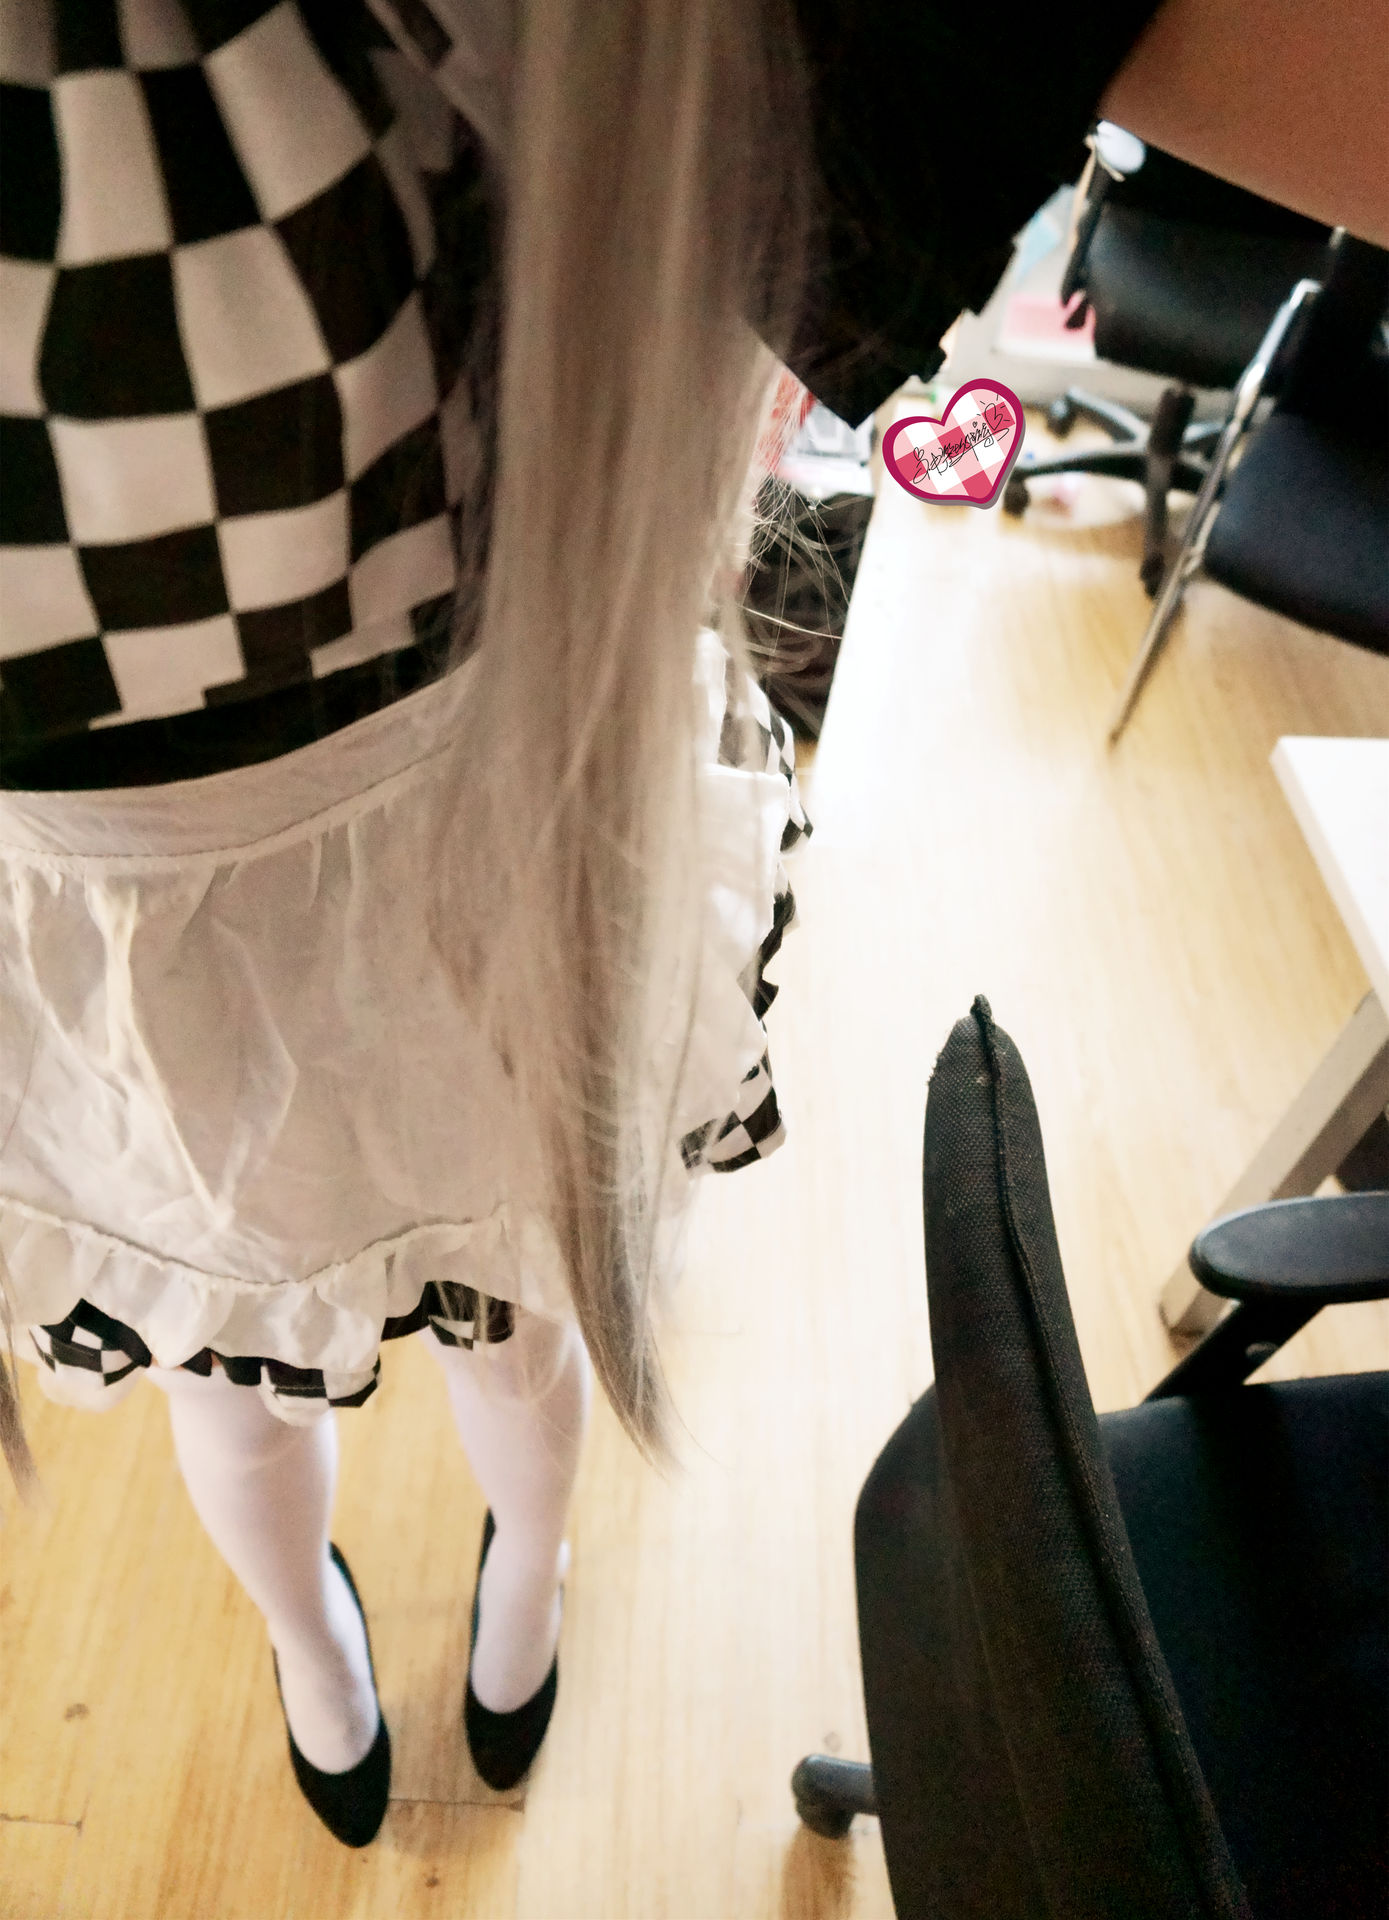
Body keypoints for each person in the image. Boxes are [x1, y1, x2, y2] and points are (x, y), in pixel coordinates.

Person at [1, 0, 1383, 1853]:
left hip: (487, 790)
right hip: (103, 916)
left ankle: (530, 1573)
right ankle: (309, 1642)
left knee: (521, 1305)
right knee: (228, 1372)